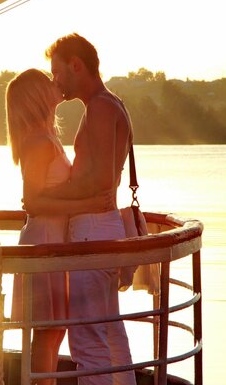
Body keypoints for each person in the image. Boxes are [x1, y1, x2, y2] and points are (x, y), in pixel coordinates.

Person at [41, 33, 136, 385]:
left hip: (92, 230)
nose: (55, 80)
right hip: (105, 226)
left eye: (56, 72)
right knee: (110, 334)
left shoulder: (99, 107)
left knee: (86, 338)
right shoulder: (114, 104)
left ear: (75, 65)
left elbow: (96, 181)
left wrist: (47, 196)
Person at [5, 68, 111, 385]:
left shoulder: (46, 136)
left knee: (54, 330)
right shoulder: (38, 141)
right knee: (48, 331)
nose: (57, 85)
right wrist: (87, 205)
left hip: (54, 240)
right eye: (48, 83)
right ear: (38, 96)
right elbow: (33, 202)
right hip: (43, 240)